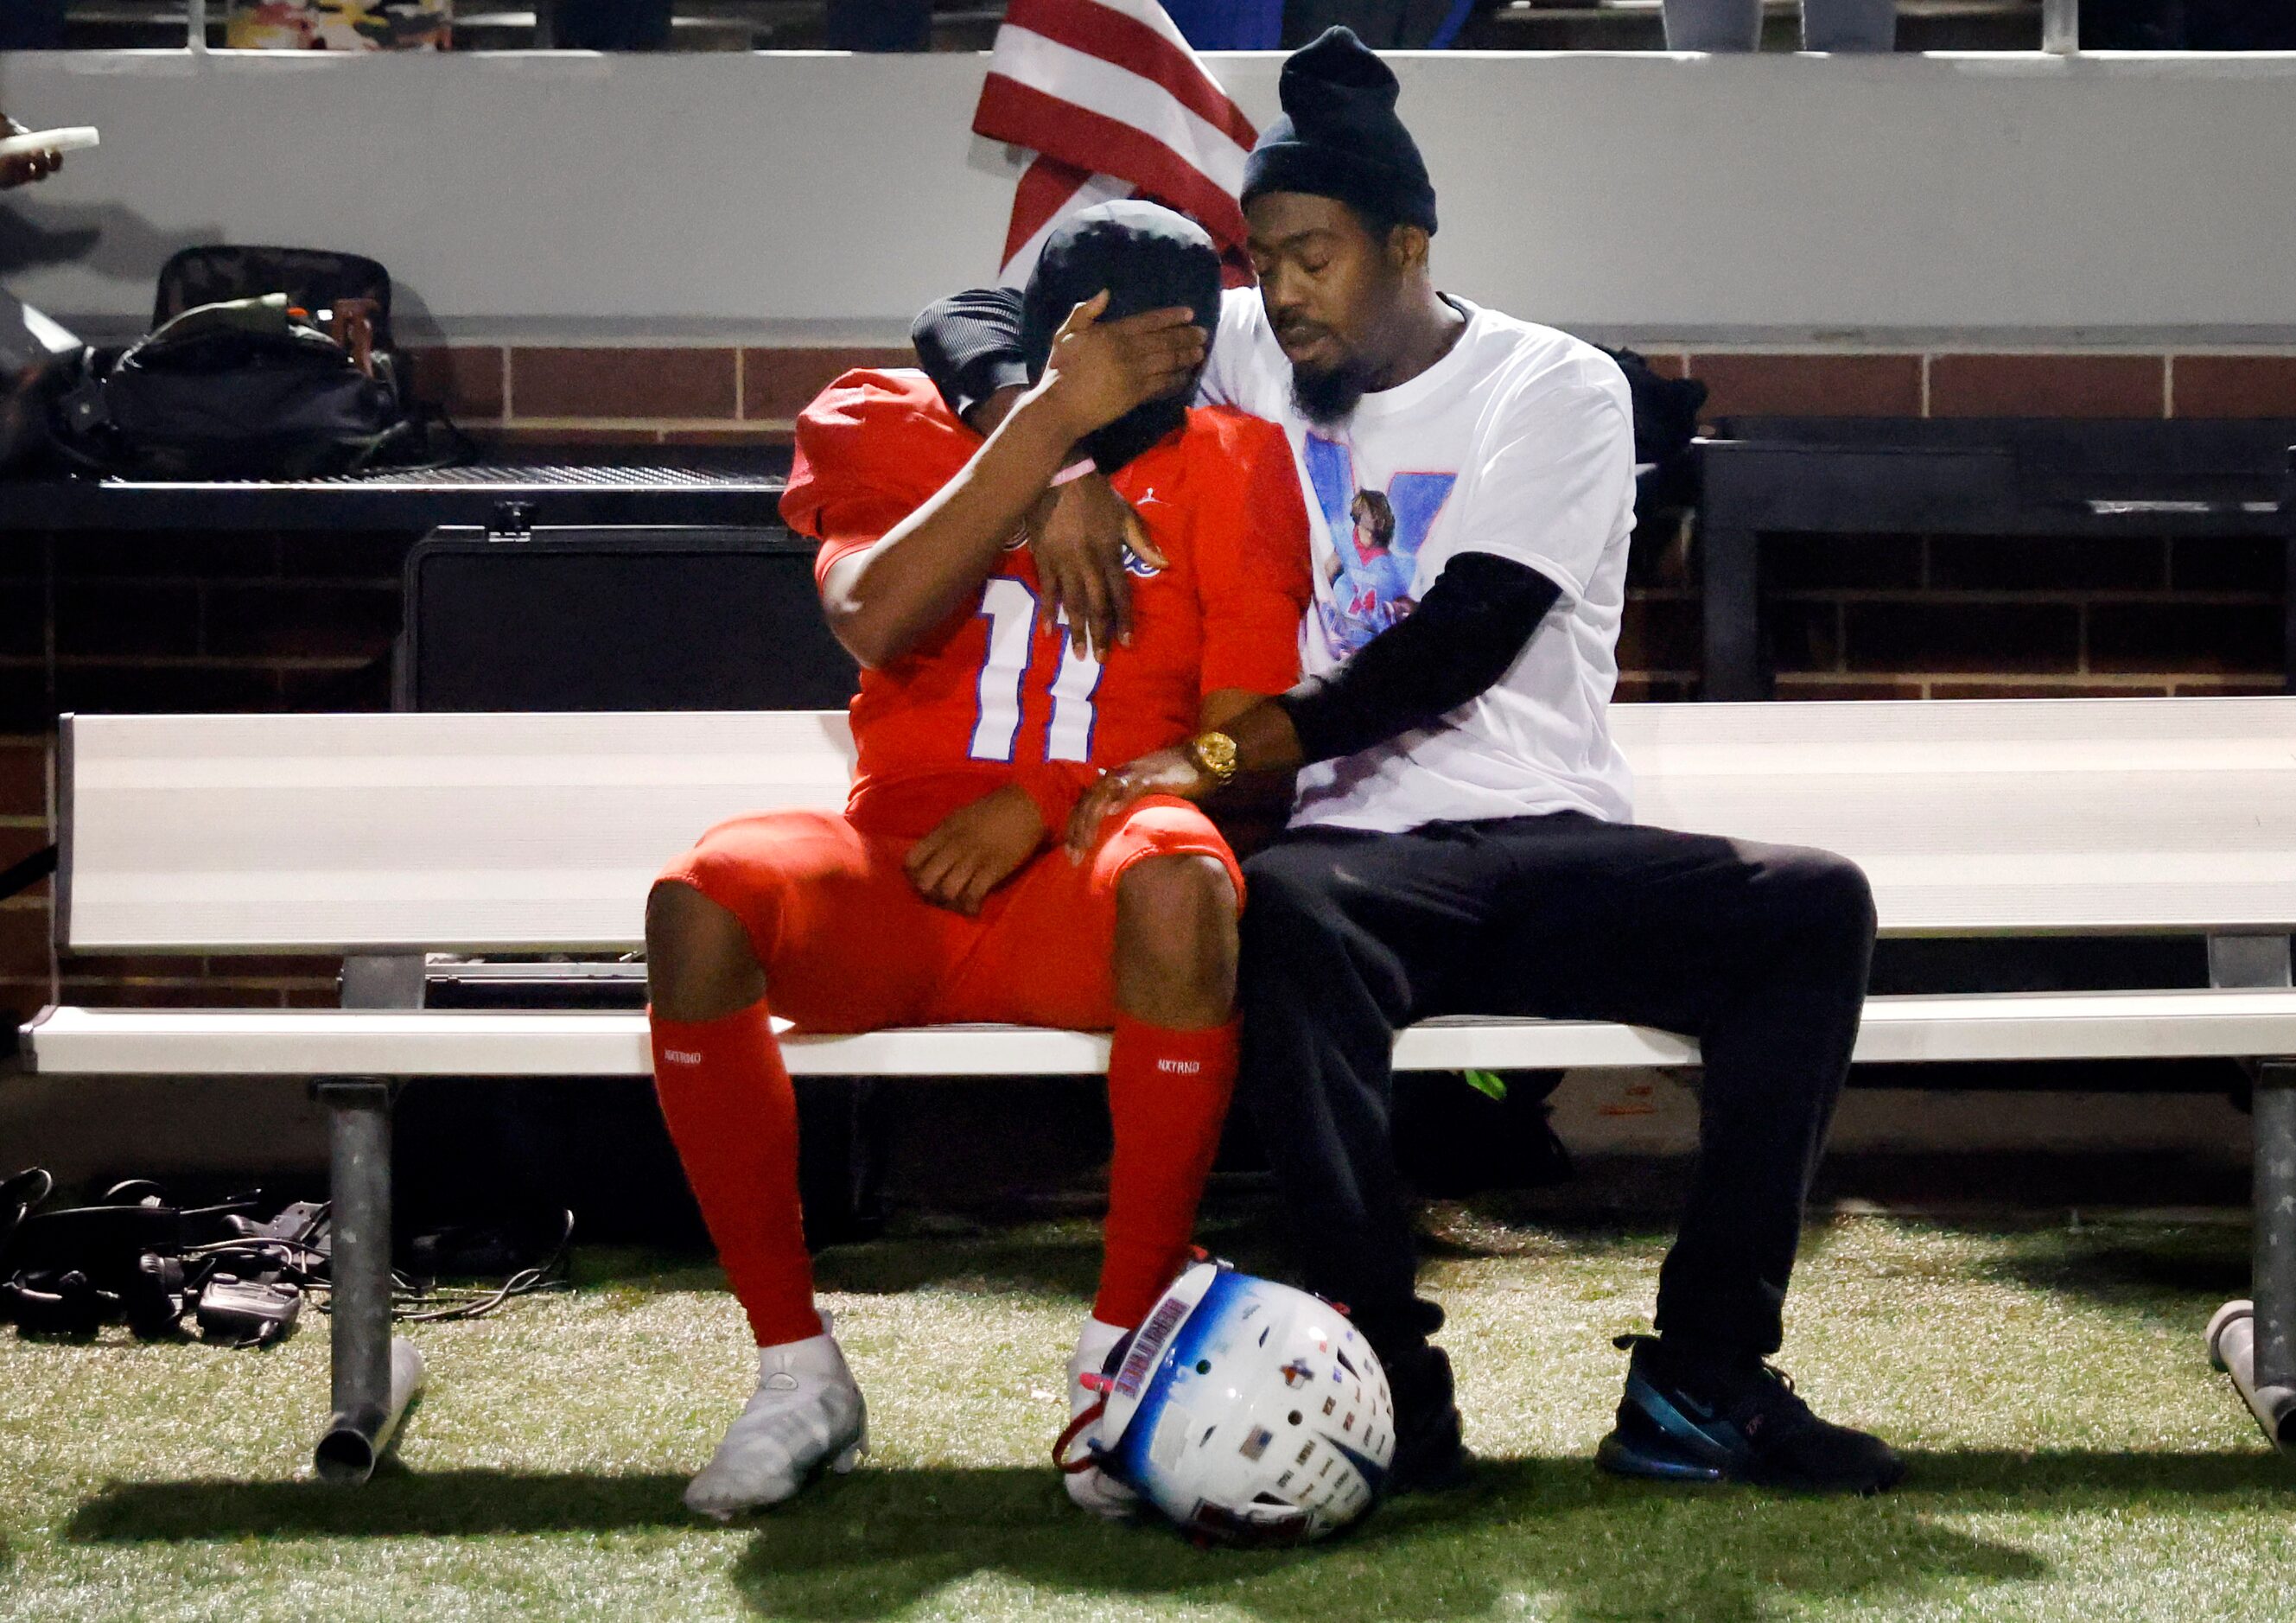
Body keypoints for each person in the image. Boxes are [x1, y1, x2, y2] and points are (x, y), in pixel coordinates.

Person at [912, 27, 1902, 1496]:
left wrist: (1215, 746)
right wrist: (1047, 449)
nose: (1280, 291)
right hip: (1355, 866)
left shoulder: (1547, 387)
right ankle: (1391, 1384)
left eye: (1312, 255)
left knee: (1812, 904)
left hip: (1545, 842)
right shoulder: (1246, 345)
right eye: (1262, 256)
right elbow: (972, 307)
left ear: (1406, 242)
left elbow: (1462, 636)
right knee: (1291, 910)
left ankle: (1702, 1372)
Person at [643, 201, 1312, 1521]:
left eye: (1172, 361)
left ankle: (1116, 1364)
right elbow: (874, 614)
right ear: (1054, 338)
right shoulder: (884, 416)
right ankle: (794, 1366)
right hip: (899, 856)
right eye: (1117, 359)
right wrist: (1042, 450)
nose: (1150, 388)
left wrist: (1045, 796)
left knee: (1186, 877)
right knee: (704, 897)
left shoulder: (1235, 461)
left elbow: (1247, 746)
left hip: (1090, 850)